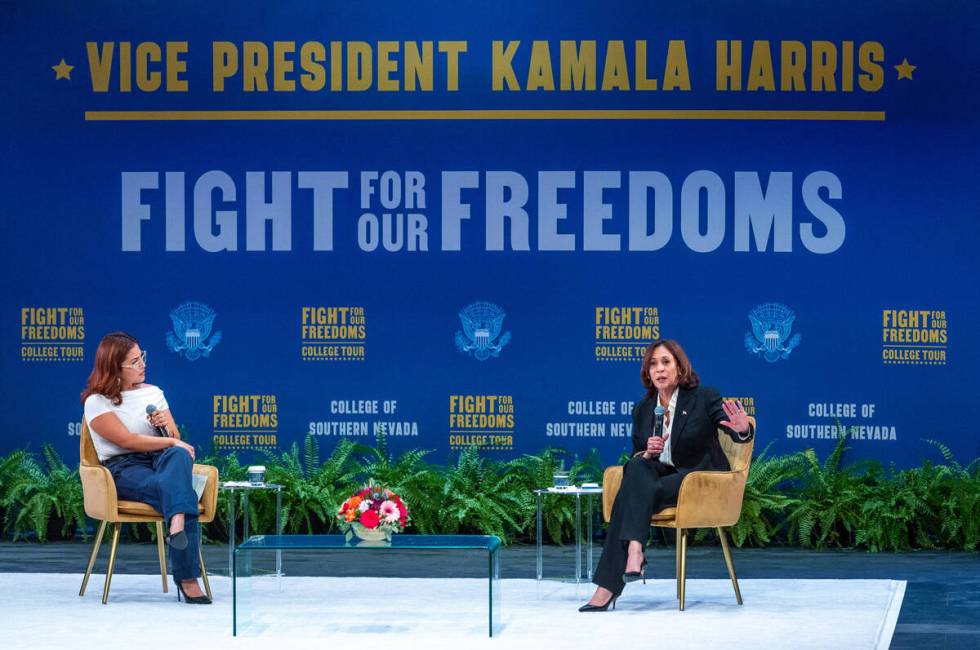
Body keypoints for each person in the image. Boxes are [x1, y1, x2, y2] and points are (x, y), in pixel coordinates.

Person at [580, 338, 754, 612]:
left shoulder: (704, 398)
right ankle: (635, 551)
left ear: (680, 368)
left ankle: (609, 585)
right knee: (636, 467)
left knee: (632, 494)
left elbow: (733, 428)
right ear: (647, 373)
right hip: (661, 477)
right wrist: (647, 453)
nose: (659, 369)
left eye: (665, 362)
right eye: (653, 364)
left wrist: (742, 430)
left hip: (700, 482)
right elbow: (638, 457)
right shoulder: (643, 410)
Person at [81, 331, 211, 604]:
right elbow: (126, 441)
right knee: (177, 487)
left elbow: (173, 436)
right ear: (114, 368)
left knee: (178, 456)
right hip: (123, 467)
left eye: (142, 358)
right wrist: (170, 441)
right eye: (135, 362)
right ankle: (188, 580)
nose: (143, 365)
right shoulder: (96, 402)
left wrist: (164, 424)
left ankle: (175, 522)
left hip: (160, 459)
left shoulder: (154, 392)